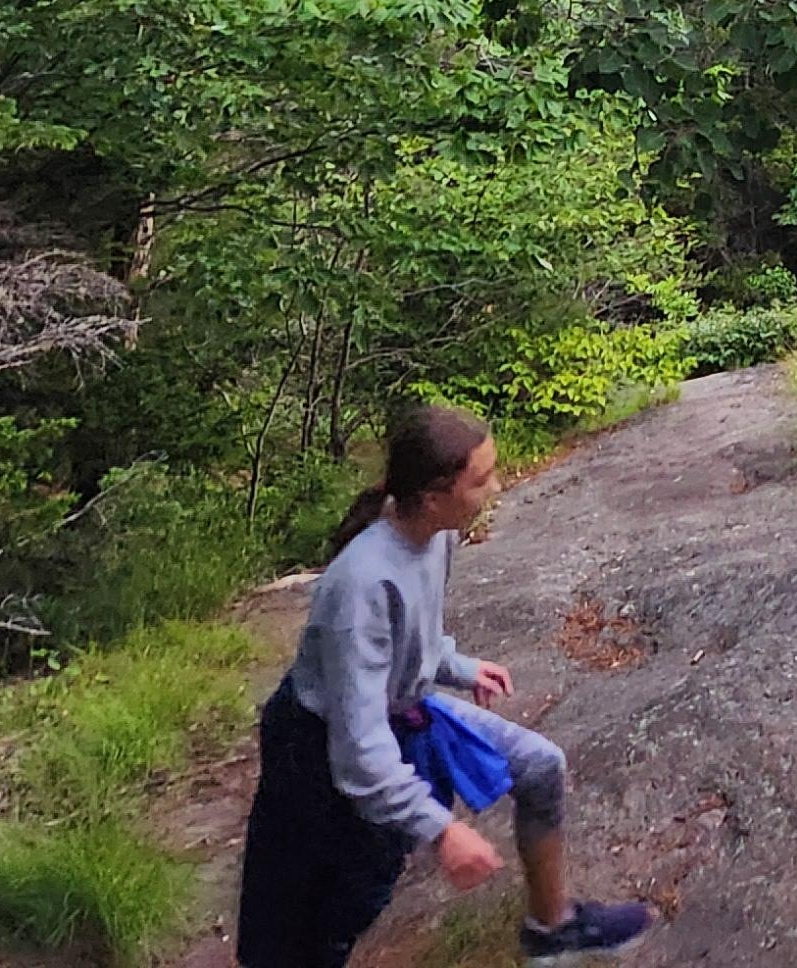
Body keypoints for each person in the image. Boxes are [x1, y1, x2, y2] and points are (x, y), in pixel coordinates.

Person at [235, 402, 659, 964]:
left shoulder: (438, 536)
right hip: (315, 747)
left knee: (540, 765)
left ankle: (552, 928)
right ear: (433, 495)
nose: (498, 487)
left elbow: (416, 636)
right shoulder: (358, 586)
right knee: (327, 912)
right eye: (482, 479)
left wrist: (456, 666)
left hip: (404, 708)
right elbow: (358, 751)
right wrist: (442, 830)